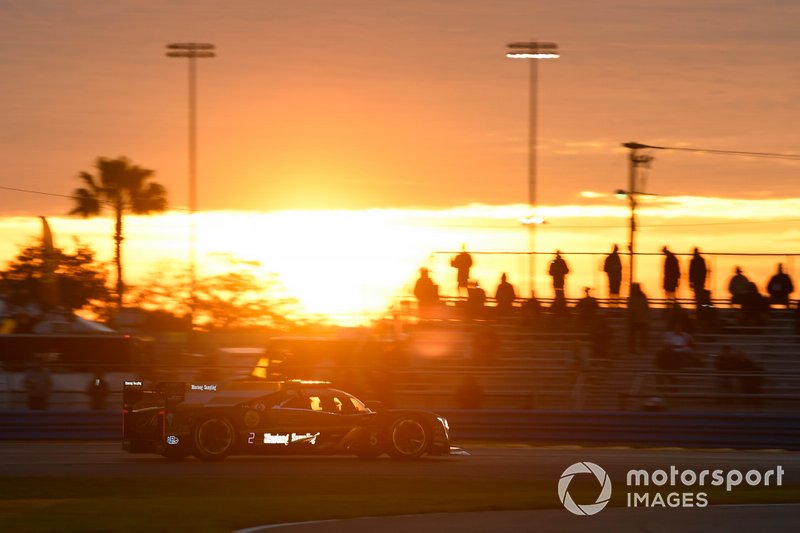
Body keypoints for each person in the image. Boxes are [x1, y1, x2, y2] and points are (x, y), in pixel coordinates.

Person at [627, 282, 649, 353]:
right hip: (636, 319)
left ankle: (641, 347)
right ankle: (633, 348)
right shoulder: (633, 297)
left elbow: (645, 307)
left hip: (640, 319)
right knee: (633, 335)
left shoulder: (641, 297)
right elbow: (630, 307)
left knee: (641, 335)